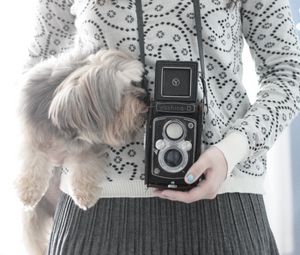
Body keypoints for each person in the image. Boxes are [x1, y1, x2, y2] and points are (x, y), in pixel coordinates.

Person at [22, 0, 300, 254]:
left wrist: (232, 151)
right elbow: (37, 66)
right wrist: (49, 138)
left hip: (226, 207)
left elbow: (289, 74)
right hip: (95, 207)